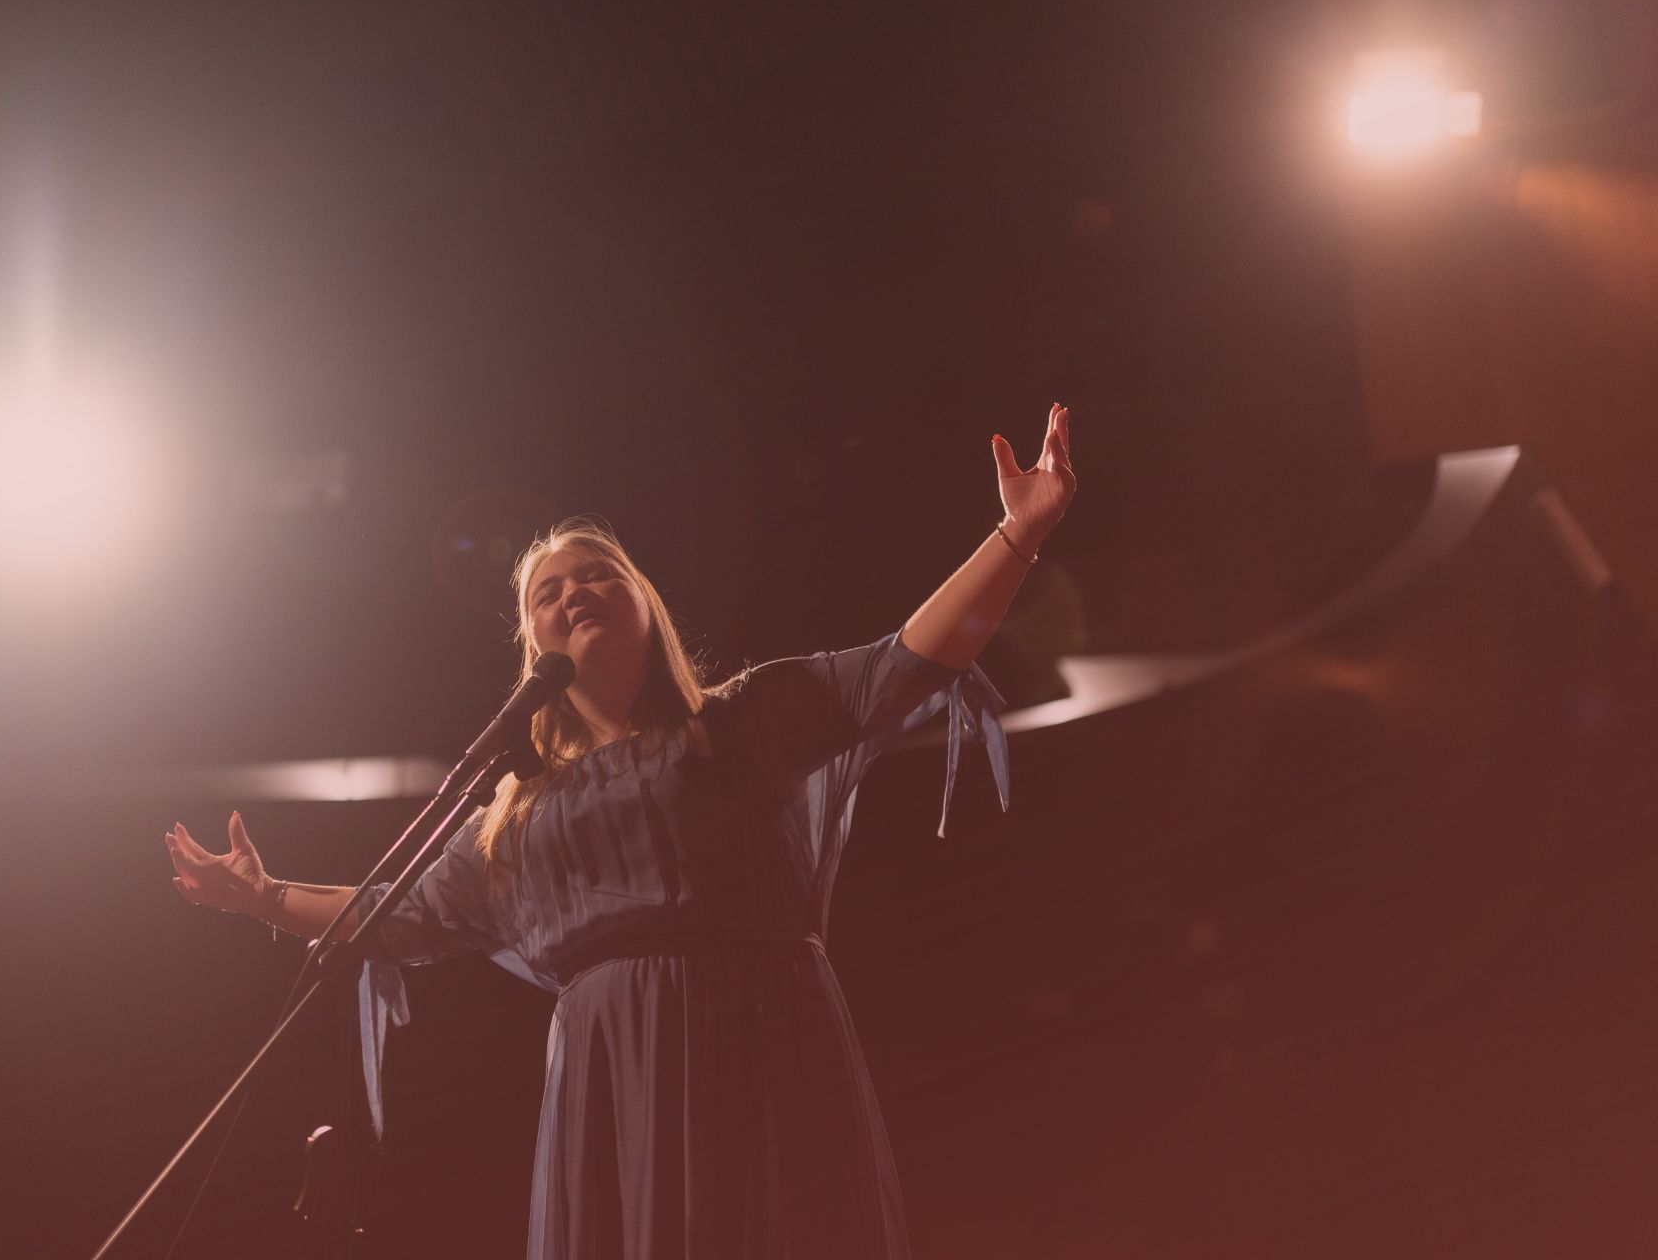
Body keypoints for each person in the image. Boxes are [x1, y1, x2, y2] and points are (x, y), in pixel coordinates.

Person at [167, 404, 1076, 1259]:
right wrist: (263, 896)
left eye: (599, 575)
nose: (575, 592)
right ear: (533, 645)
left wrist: (1018, 535)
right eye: (547, 592)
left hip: (755, 1041)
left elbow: (906, 661)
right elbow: (389, 913)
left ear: (647, 606)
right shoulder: (514, 814)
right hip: (609, 1080)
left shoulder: (742, 720)